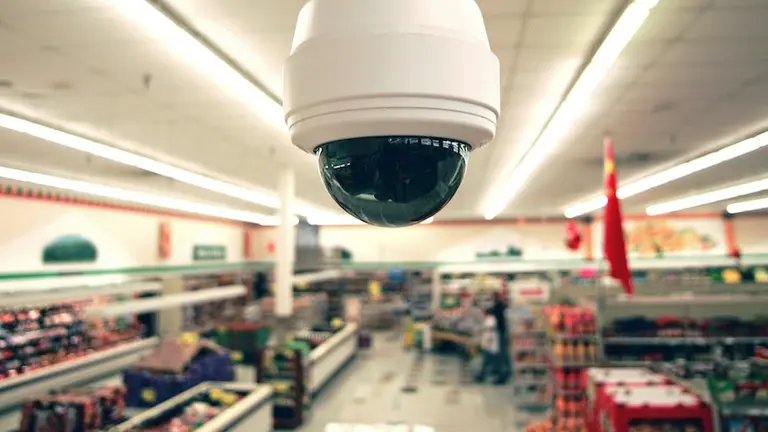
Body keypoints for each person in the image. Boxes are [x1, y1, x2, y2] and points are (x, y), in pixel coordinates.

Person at [490, 291, 511, 383]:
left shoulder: (498, 306)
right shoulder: (503, 306)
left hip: (500, 333)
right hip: (502, 333)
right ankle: (503, 373)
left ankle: (502, 376)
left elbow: (492, 312)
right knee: (503, 355)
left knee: (501, 355)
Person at [475, 308, 500, 383]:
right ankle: (485, 375)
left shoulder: (490, 319)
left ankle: (482, 376)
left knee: (487, 361)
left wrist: (488, 342)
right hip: (489, 343)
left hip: (490, 344)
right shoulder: (489, 319)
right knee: (489, 361)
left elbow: (490, 331)